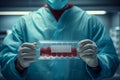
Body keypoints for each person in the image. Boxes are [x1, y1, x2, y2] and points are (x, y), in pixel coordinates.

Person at [0, 0, 119, 80]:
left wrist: (96, 63)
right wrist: (18, 64)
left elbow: (111, 60)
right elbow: (5, 63)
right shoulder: (24, 23)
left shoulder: (90, 22)